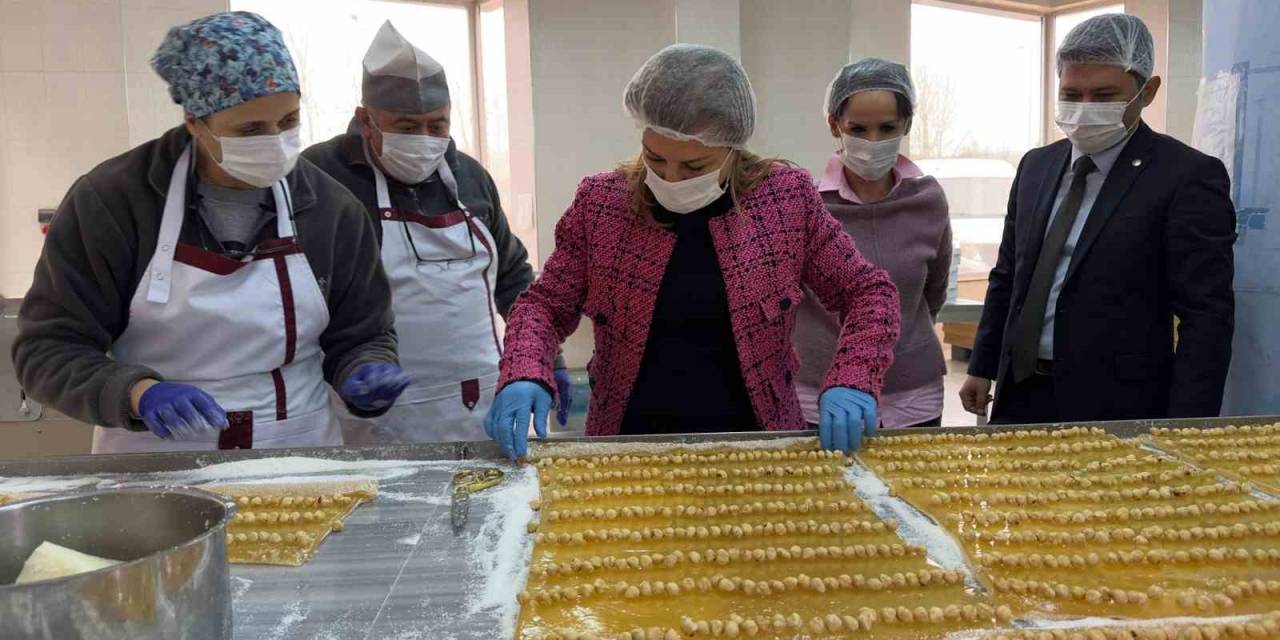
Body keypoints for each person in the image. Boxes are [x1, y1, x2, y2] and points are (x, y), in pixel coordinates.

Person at [11, 12, 410, 453]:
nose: (275, 141)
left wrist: (364, 367)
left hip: (297, 449)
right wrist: (137, 394)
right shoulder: (115, 202)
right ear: (195, 122)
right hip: (157, 455)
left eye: (289, 121)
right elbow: (47, 350)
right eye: (250, 129)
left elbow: (364, 332)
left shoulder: (328, 208)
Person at [483, 44, 901, 459]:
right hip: (628, 444)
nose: (670, 177)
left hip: (758, 443)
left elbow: (869, 292)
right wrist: (524, 370)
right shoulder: (602, 204)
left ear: (732, 148)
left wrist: (853, 375)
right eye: (655, 157)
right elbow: (544, 305)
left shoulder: (785, 200)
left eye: (695, 167)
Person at [959, 14, 1235, 424]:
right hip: (1021, 395)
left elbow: (1206, 315)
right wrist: (982, 364)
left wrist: (1187, 425)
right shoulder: (1037, 166)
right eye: (1072, 94)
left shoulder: (1185, 176)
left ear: (1147, 91)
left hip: (1119, 406)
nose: (1085, 109)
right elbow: (1008, 275)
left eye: (1104, 96)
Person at [303, 22, 570, 444]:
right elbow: (301, 294)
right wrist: (348, 368)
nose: (425, 140)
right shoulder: (322, 177)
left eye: (437, 126)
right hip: (380, 414)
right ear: (365, 120)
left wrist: (543, 358)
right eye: (407, 127)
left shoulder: (470, 176)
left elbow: (513, 278)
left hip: (486, 399)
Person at [796, 58, 952, 430]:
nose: (873, 142)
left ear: (907, 125)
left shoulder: (928, 200)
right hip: (821, 396)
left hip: (914, 395)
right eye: (858, 128)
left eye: (887, 128)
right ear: (835, 125)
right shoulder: (806, 203)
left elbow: (933, 292)